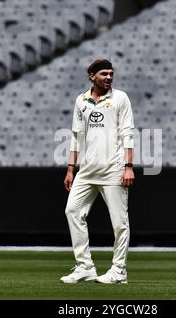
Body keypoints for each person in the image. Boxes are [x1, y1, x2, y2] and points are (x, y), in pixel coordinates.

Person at [60, 59, 135, 284]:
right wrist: (70, 169)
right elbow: (75, 136)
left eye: (111, 73)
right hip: (87, 169)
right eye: (103, 74)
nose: (109, 77)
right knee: (72, 211)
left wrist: (129, 166)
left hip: (114, 169)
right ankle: (85, 267)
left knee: (120, 223)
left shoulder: (120, 98)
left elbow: (128, 132)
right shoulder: (81, 101)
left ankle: (119, 271)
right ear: (91, 76)